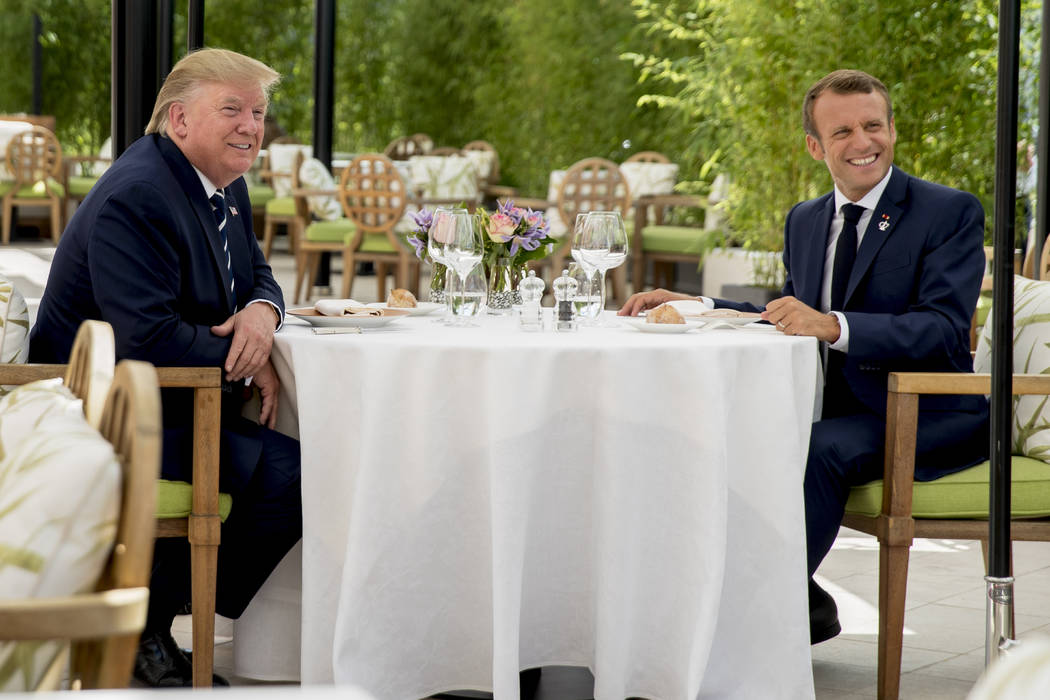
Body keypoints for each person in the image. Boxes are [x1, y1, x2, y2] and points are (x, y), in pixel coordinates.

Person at [620, 69, 989, 644]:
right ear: (816, 147)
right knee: (710, 431)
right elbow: (789, 313)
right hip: (831, 404)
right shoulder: (805, 219)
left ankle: (750, 625)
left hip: (927, 413)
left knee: (817, 448)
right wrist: (698, 303)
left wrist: (835, 326)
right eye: (842, 132)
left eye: (873, 125)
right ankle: (793, 602)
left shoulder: (948, 212)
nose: (863, 142)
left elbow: (942, 331)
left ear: (893, 129)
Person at [29, 49, 301, 685]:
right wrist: (243, 364)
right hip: (102, 415)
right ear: (179, 120)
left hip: (170, 398)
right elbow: (146, 339)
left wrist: (262, 315)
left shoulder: (220, 184)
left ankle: (151, 621)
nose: (251, 127)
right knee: (289, 478)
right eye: (231, 109)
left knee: (291, 465)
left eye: (257, 113)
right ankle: (146, 626)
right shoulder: (141, 194)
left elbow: (256, 274)